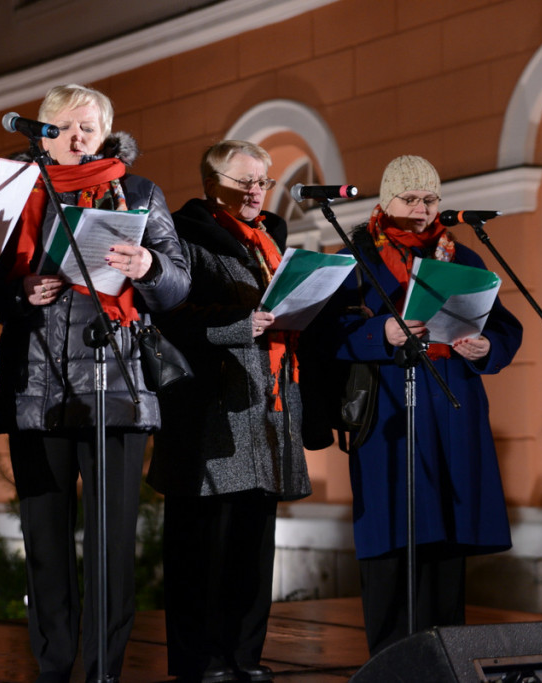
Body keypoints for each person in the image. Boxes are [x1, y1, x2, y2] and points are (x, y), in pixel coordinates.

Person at [0, 83, 190, 683]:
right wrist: (19, 291)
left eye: (90, 127)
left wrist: (150, 267)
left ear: (106, 134)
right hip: (37, 385)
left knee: (111, 548)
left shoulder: (138, 192)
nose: (79, 138)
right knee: (46, 546)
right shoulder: (16, 188)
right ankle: (53, 668)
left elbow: (178, 283)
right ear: (45, 130)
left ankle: (105, 671)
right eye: (65, 126)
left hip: (119, 384)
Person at [326, 155, 523, 655]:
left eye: (430, 199)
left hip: (452, 410)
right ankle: (393, 658)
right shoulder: (357, 257)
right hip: (389, 411)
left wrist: (488, 348)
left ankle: (447, 654)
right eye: (409, 199)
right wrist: (382, 332)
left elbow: (503, 325)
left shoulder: (462, 257)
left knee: (446, 540)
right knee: (393, 537)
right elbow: (327, 333)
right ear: (385, 201)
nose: (420, 209)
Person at [148, 140, 312, 683]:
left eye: (262, 182)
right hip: (210, 408)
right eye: (244, 182)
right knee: (203, 543)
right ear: (211, 182)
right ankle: (201, 660)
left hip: (268, 404)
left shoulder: (268, 241)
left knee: (253, 539)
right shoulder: (185, 235)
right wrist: (243, 324)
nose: (255, 193)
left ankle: (245, 655)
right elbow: (172, 319)